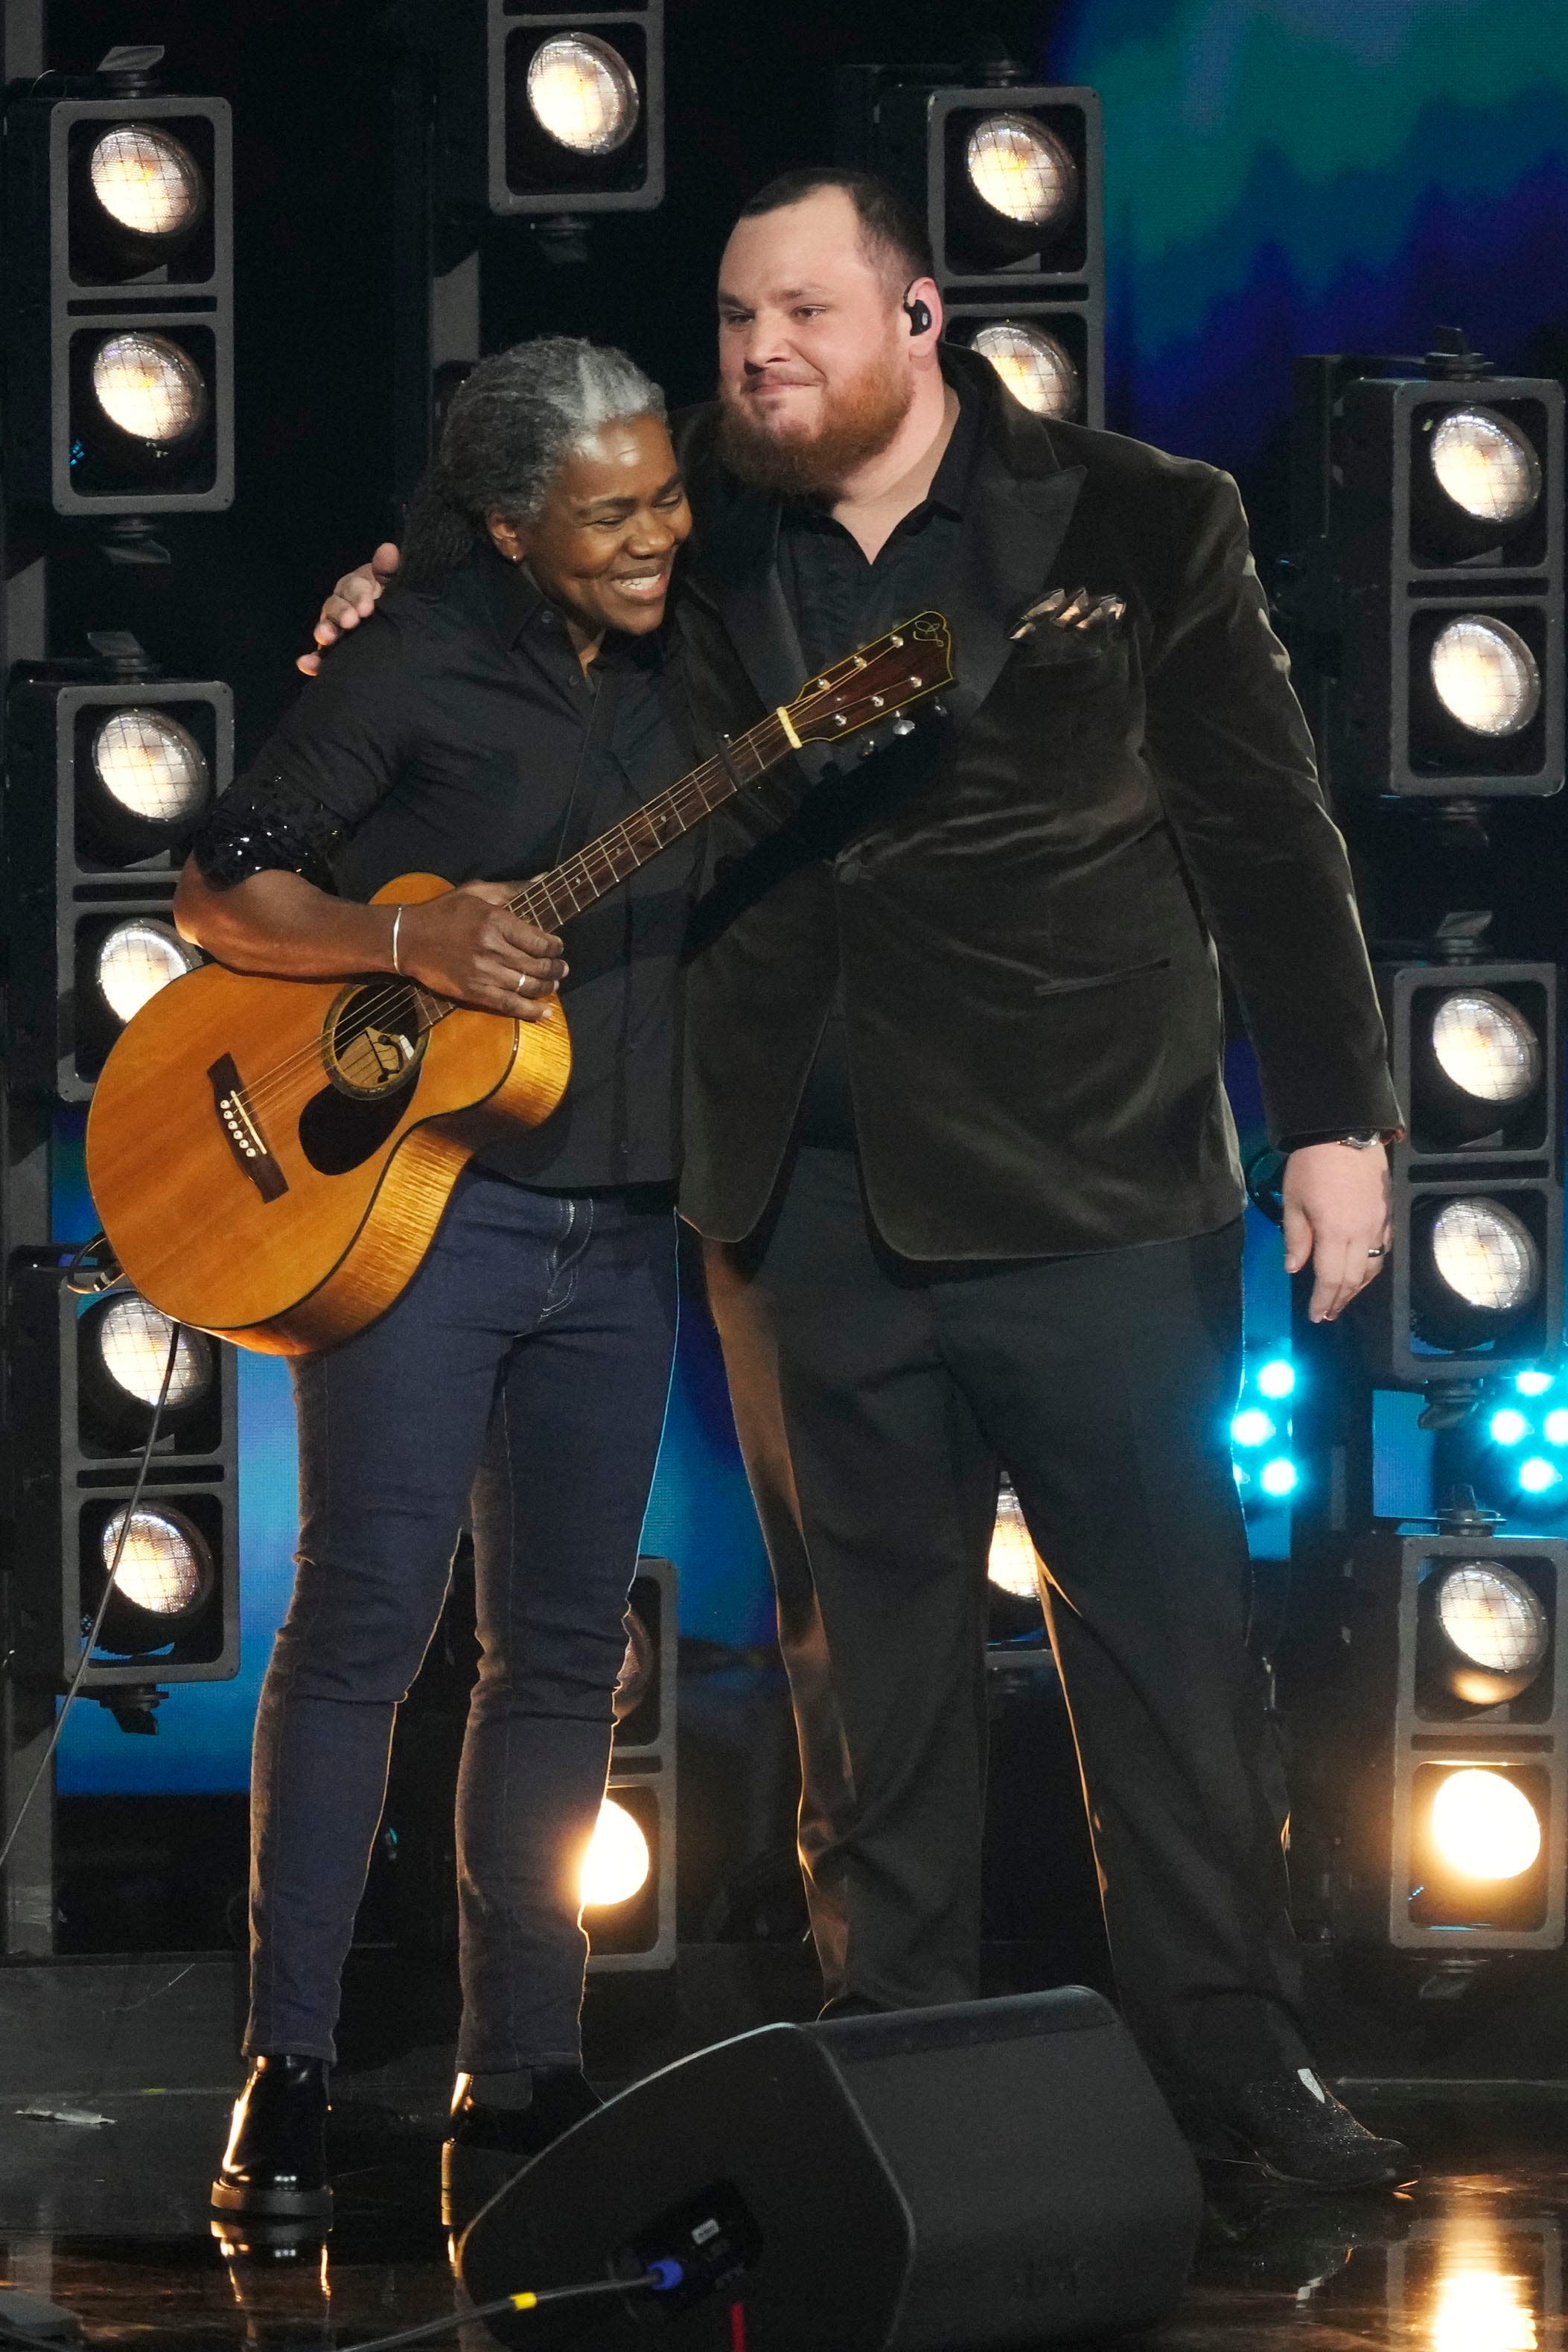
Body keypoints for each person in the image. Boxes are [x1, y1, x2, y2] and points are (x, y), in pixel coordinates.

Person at [310, 172, 1412, 2191]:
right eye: (739, 320)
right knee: (861, 1664)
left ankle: (1236, 2078)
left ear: (919, 316)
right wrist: (396, 594)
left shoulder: (1142, 515)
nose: (761, 354)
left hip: (1093, 1173)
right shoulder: (686, 520)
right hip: (802, 1193)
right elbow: (495, 571)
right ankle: (900, 2068)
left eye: (803, 313)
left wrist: (1340, 1121)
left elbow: (1269, 828)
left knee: (1165, 1647)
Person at [182, 336, 698, 2226]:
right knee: (362, 1629)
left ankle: (526, 2060)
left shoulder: (701, 644)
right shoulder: (408, 657)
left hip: (623, 1216)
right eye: (610, 511)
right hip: (418, 1213)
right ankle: (291, 2070)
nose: (656, 532)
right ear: (506, 526)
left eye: (667, 493)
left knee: (565, 1651)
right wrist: (407, 938)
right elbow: (223, 881)